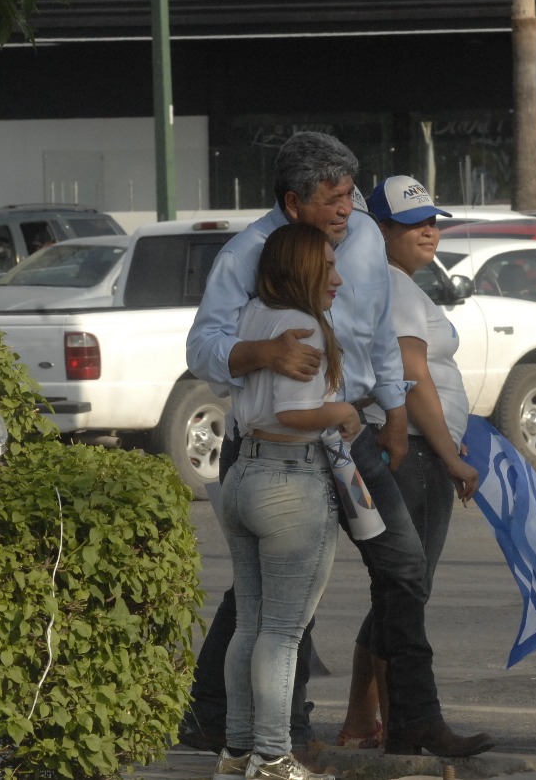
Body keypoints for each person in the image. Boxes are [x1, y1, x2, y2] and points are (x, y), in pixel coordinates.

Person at [185, 131, 495, 760]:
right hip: (274, 445)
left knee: (402, 568)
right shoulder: (247, 253)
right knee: (274, 596)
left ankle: (413, 720)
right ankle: (257, 731)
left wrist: (397, 413)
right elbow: (202, 349)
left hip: (354, 433)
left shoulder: (358, 246)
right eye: (331, 200)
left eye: (351, 196)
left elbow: (381, 332)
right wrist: (262, 354)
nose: (346, 211)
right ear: (293, 201)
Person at [334, 175, 480, 749]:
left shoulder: (403, 286)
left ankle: (366, 723)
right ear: (380, 229)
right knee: (405, 590)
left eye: (434, 220)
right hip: (411, 452)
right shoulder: (390, 286)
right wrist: (450, 456)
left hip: (420, 449)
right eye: (413, 222)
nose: (430, 230)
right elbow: (411, 376)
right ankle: (397, 727)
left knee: (396, 592)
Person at [214, 223, 356, 780]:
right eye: (328, 267)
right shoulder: (305, 329)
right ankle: (273, 758)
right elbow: (296, 414)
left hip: (242, 473)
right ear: (300, 270)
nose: (338, 280)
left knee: (249, 625)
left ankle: (237, 752)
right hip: (289, 480)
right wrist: (344, 414)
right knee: (282, 631)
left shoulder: (253, 318)